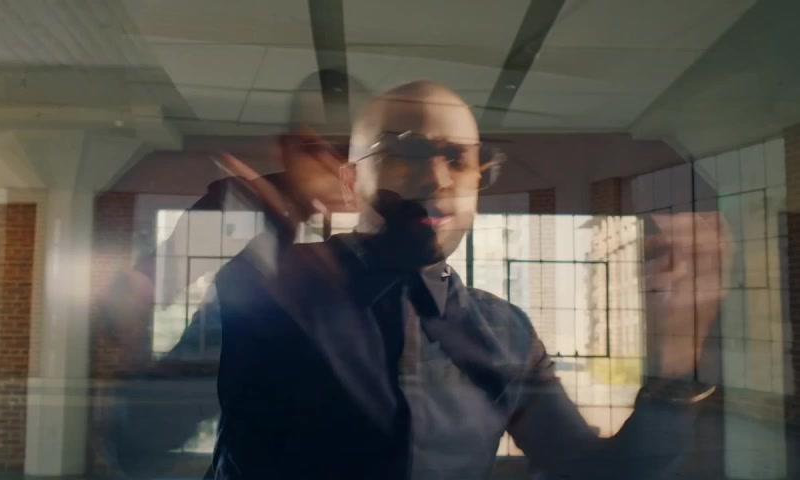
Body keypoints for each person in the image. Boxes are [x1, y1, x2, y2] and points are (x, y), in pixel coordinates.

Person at [209, 81, 730, 479]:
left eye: (460, 160)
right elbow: (160, 433)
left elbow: (591, 473)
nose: (438, 180)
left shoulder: (505, 332)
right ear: (351, 180)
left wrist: (675, 362)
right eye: (406, 152)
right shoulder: (274, 286)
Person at [98, 69, 370, 475]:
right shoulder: (244, 214)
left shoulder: (395, 231)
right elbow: (150, 287)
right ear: (287, 149)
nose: (336, 165)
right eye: (317, 147)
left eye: (351, 150)